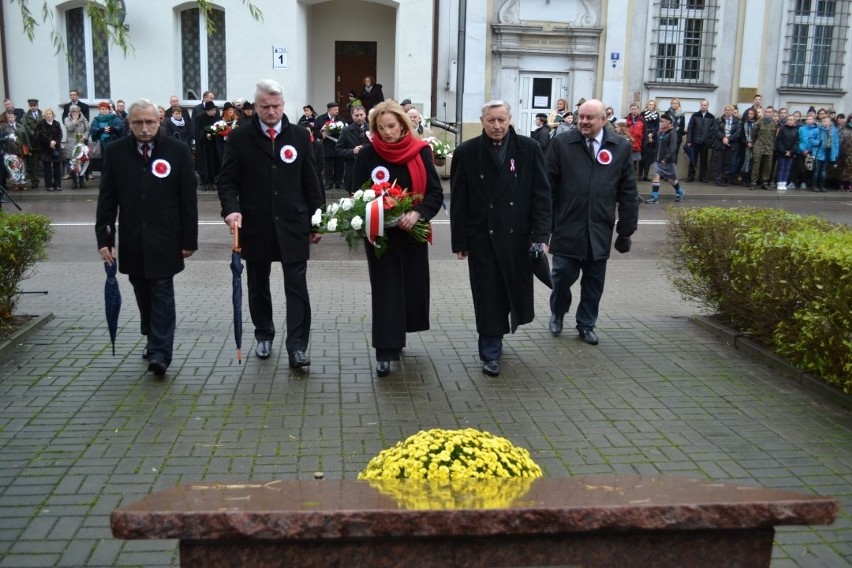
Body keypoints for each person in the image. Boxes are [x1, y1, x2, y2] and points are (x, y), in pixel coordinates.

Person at [217, 79, 324, 369]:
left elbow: (311, 181)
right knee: (258, 285)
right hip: (256, 223)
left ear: (283, 105)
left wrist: (318, 221)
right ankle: (264, 334)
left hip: (294, 223)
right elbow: (227, 180)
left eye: (276, 106)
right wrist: (231, 210)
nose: (271, 111)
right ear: (256, 107)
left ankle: (297, 346)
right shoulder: (239, 137)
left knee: (297, 288)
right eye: (265, 106)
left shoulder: (300, 136)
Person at [95, 99, 199, 376]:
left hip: (166, 237)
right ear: (129, 123)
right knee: (142, 289)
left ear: (159, 121)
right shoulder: (116, 152)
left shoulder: (177, 151)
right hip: (132, 237)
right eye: (138, 122)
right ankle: (152, 334)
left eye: (150, 122)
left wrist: (189, 240)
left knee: (162, 292)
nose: (144, 128)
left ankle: (160, 353)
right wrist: (105, 239)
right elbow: (107, 199)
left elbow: (188, 199)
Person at [450, 100, 551, 377]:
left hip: (517, 237)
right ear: (482, 120)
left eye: (502, 120)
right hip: (482, 237)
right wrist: (460, 241)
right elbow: (459, 200)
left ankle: (498, 337)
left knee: (510, 292)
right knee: (487, 296)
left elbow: (541, 195)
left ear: (510, 120)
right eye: (491, 120)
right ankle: (490, 352)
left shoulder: (529, 149)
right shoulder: (466, 152)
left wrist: (541, 235)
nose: (497, 126)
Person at [352, 101, 444, 377]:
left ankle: (398, 334)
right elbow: (356, 192)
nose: (387, 133)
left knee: (410, 288)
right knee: (386, 289)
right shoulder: (368, 154)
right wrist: (377, 207)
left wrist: (416, 214)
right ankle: (385, 349)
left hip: (411, 233)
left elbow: (435, 194)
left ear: (404, 125)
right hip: (381, 235)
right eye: (381, 128)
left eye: (391, 126)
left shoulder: (421, 153)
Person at [546, 99, 639, 347]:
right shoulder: (562, 143)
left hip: (599, 227)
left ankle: (586, 324)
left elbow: (628, 191)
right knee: (562, 275)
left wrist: (626, 230)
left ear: (604, 120)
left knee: (593, 282)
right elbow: (548, 187)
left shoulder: (619, 147)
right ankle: (558, 310)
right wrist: (545, 225)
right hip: (567, 226)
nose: (584, 122)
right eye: (581, 117)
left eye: (590, 118)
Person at [644, 113, 684, 204]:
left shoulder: (672, 133)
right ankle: (654, 197)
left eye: (663, 122)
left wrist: (665, 159)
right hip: (657, 159)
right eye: (660, 121)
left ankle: (679, 191)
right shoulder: (660, 131)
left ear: (669, 123)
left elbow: (673, 148)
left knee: (671, 179)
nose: (661, 123)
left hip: (667, 161)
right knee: (656, 176)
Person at [335, 105, 368, 194]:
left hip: (369, 171)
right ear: (352, 116)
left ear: (365, 114)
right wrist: (352, 151)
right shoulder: (346, 131)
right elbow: (338, 150)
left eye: (361, 115)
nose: (359, 118)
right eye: (356, 116)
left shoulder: (372, 129)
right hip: (352, 172)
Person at [316, 102, 344, 190]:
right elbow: (315, 131)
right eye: (335, 110)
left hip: (338, 145)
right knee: (327, 165)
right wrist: (322, 135)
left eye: (338, 110)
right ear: (329, 110)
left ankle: (339, 182)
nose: (337, 111)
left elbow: (346, 129)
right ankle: (328, 182)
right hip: (327, 145)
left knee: (339, 165)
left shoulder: (341, 119)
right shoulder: (321, 119)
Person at [711, 105, 741, 187]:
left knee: (727, 163)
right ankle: (718, 180)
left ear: (732, 111)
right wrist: (723, 137)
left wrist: (729, 139)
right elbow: (716, 130)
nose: (727, 112)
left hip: (730, 145)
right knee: (718, 163)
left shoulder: (737, 121)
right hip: (720, 144)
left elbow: (737, 133)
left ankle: (724, 179)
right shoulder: (719, 120)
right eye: (726, 110)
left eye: (729, 110)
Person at [34, 108, 63, 192]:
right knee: (47, 168)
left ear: (52, 115)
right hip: (45, 148)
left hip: (56, 148)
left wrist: (55, 142)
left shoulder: (57, 123)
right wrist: (49, 142)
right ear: (44, 115)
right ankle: (49, 185)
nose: (48, 115)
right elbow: (41, 135)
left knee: (57, 167)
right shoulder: (41, 123)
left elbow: (60, 135)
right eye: (47, 114)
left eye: (50, 114)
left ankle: (58, 185)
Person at [750, 106, 779, 190]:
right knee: (756, 165)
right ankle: (753, 182)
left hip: (769, 147)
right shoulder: (759, 122)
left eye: (770, 112)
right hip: (759, 146)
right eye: (766, 112)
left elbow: (774, 136)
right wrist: (755, 143)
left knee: (767, 166)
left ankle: (765, 182)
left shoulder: (775, 123)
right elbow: (753, 134)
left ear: (773, 113)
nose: (768, 113)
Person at [686, 99, 714, 182]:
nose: (703, 106)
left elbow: (713, 130)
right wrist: (689, 141)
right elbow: (690, 128)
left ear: (708, 106)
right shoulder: (695, 115)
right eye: (702, 105)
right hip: (694, 141)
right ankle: (690, 176)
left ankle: (702, 177)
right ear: (700, 106)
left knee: (704, 160)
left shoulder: (711, 117)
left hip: (705, 143)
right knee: (692, 159)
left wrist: (709, 140)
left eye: (705, 105)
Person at [194, 100, 220, 191]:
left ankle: (212, 182)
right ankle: (204, 182)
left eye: (214, 110)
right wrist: (205, 134)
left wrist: (215, 132)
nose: (214, 112)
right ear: (207, 110)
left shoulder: (216, 118)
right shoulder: (200, 118)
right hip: (203, 145)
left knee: (213, 163)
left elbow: (219, 128)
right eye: (212, 110)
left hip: (213, 144)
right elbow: (198, 130)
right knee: (204, 163)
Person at [63, 104, 90, 188]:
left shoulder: (83, 119)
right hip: (71, 144)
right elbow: (69, 128)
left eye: (76, 111)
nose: (74, 113)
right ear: (70, 112)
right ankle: (74, 181)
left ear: (79, 111)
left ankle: (81, 181)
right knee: (73, 164)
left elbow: (88, 129)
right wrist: (74, 121)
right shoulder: (67, 119)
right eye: (73, 112)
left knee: (81, 162)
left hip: (81, 143)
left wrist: (85, 136)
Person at [812, 115, 839, 193]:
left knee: (824, 171)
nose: (824, 122)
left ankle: (822, 186)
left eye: (826, 121)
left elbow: (836, 143)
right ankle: (814, 186)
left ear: (830, 122)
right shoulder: (817, 130)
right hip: (818, 153)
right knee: (816, 171)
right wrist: (818, 142)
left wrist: (835, 153)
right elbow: (810, 139)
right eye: (823, 121)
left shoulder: (834, 131)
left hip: (828, 153)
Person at [21, 98, 42, 189]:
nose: (33, 107)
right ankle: (35, 181)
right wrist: (33, 132)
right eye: (31, 106)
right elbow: (25, 126)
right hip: (33, 142)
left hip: (42, 141)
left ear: (37, 106)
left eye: (34, 106)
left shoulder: (42, 114)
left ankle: (50, 181)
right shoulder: (26, 116)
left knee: (46, 162)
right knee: (33, 164)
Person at [775, 114, 799, 190]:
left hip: (791, 153)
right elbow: (779, 141)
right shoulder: (782, 129)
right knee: (781, 168)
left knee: (787, 168)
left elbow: (797, 142)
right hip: (782, 153)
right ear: (786, 121)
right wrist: (783, 151)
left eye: (791, 120)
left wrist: (791, 152)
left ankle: (784, 183)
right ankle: (779, 182)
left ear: (794, 121)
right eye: (788, 120)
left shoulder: (796, 130)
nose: (790, 121)